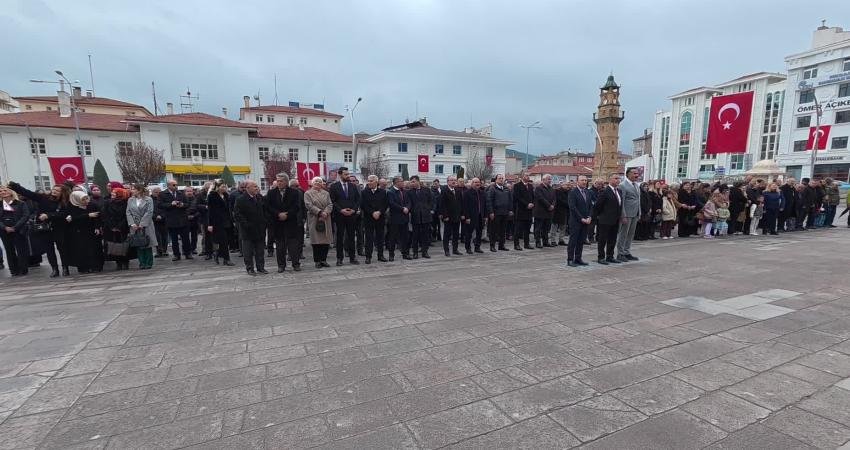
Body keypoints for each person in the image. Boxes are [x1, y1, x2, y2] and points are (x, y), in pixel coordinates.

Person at [7, 181, 71, 277]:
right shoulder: (43, 198)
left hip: (59, 227)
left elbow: (64, 214)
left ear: (62, 193)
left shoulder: (65, 202)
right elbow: (27, 193)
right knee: (49, 250)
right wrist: (15, 186)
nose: (54, 191)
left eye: (58, 191)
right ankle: (54, 269)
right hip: (44, 228)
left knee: (62, 249)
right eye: (54, 189)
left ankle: (65, 268)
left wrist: (48, 215)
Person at [266, 174, 303, 272]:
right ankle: (281, 265)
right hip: (278, 222)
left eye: (281, 181)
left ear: (286, 182)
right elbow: (268, 207)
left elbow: (296, 206)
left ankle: (296, 264)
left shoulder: (294, 192)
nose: (279, 183)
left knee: (293, 245)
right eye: (277, 181)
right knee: (280, 246)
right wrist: (278, 214)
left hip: (290, 222)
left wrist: (287, 214)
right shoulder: (271, 193)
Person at [233, 180, 267, 275]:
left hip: (259, 228)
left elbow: (264, 211)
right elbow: (237, 214)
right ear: (248, 188)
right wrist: (246, 224)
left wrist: (264, 222)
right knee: (248, 251)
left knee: (260, 250)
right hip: (247, 230)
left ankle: (261, 267)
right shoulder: (240, 199)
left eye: (257, 186)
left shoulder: (260, 197)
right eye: (254, 186)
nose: (257, 188)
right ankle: (250, 268)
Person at [328, 167, 360, 266]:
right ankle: (339, 258)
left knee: (351, 237)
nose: (348, 176)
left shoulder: (353, 186)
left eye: (348, 174)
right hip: (340, 215)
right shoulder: (334, 186)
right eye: (346, 174)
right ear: (340, 174)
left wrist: (353, 210)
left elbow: (358, 200)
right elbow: (333, 201)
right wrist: (341, 210)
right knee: (340, 237)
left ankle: (352, 257)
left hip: (351, 215)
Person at [66, 191, 102, 274]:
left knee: (93, 249)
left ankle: (95, 266)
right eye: (83, 199)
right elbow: (72, 218)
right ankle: (83, 267)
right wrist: (88, 215)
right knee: (81, 250)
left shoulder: (92, 205)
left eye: (86, 198)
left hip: (91, 230)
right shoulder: (72, 207)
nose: (86, 201)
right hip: (79, 231)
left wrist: (97, 227)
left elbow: (97, 216)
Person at [0, 186, 31, 276]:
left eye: (5, 190)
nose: (3, 192)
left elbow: (25, 215)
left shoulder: (20, 203)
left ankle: (23, 268)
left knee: (21, 250)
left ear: (10, 192)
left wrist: (15, 227)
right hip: (4, 230)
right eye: (1, 191)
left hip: (18, 229)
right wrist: (4, 227)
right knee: (9, 250)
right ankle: (13, 270)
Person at [593, 173, 623, 265]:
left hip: (615, 219)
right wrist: (600, 216)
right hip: (605, 219)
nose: (618, 180)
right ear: (610, 180)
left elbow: (619, 205)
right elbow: (598, 205)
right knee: (602, 239)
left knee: (612, 239)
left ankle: (610, 256)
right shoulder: (605, 191)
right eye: (616, 178)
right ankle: (601, 257)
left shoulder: (619, 191)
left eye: (619, 178)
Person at [160, 180, 193, 261]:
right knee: (174, 239)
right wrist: (171, 204)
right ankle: (176, 255)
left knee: (185, 238)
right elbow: (160, 205)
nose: (176, 186)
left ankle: (187, 253)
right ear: (169, 186)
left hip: (182, 219)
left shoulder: (181, 193)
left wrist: (182, 205)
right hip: (171, 220)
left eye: (176, 185)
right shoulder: (163, 194)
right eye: (174, 185)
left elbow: (187, 204)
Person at [304, 176, 333, 269]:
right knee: (316, 241)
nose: (318, 183)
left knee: (325, 240)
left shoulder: (326, 193)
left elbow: (330, 204)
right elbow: (308, 205)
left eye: (320, 182)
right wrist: (320, 212)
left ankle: (323, 260)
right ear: (312, 183)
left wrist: (326, 212)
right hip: (314, 218)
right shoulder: (308, 193)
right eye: (316, 181)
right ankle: (317, 261)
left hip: (326, 218)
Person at [127, 184, 158, 270]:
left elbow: (149, 212)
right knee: (138, 243)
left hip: (146, 224)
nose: (131, 190)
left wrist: (142, 224)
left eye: (133, 189)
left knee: (147, 243)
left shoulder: (148, 199)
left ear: (139, 190)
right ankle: (142, 262)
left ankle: (149, 262)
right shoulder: (130, 200)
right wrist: (132, 223)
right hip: (134, 225)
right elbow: (128, 212)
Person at [102, 188, 133, 270]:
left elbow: (127, 215)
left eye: (114, 194)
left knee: (125, 245)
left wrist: (120, 227)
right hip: (111, 228)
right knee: (115, 246)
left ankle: (125, 261)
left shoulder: (126, 203)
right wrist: (112, 227)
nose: (112, 195)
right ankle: (118, 262)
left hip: (123, 228)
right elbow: (105, 215)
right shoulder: (107, 203)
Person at [360, 175, 388, 264]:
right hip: (369, 218)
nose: (369, 182)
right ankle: (368, 257)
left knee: (380, 237)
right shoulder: (364, 192)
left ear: (376, 182)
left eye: (371, 181)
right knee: (369, 238)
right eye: (368, 180)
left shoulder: (383, 192)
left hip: (380, 218)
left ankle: (380, 255)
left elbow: (385, 204)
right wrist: (372, 212)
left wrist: (379, 212)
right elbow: (363, 205)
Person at [205, 181, 234, 266]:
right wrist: (210, 224)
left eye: (225, 186)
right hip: (217, 221)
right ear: (217, 187)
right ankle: (227, 259)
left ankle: (218, 253)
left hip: (227, 221)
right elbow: (210, 211)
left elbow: (229, 208)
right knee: (223, 240)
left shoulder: (226, 195)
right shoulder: (212, 196)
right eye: (222, 186)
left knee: (225, 240)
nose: (224, 188)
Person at [616, 168, 641, 261]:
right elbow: (621, 202)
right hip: (627, 214)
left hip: (635, 213)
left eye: (637, 173)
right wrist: (623, 215)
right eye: (634, 173)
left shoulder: (636, 185)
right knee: (623, 234)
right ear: (628, 174)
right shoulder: (622, 185)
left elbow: (638, 200)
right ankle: (620, 253)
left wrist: (640, 212)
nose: (637, 175)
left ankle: (627, 252)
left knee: (631, 234)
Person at [566, 176, 591, 267]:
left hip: (586, 221)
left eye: (585, 180)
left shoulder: (587, 192)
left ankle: (578, 258)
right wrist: (581, 218)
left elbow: (590, 206)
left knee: (581, 241)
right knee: (573, 241)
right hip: (576, 221)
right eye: (582, 180)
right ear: (577, 182)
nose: (584, 182)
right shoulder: (573, 192)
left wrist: (589, 217)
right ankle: (570, 259)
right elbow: (573, 207)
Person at [386, 176, 412, 261]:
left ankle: (405, 253)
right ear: (396, 182)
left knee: (405, 237)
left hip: (404, 218)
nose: (403, 183)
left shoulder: (405, 191)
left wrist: (407, 208)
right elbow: (391, 203)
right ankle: (391, 255)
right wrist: (402, 209)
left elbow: (409, 202)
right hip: (395, 219)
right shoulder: (390, 192)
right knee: (392, 237)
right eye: (401, 181)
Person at [486, 174, 513, 252]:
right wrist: (491, 212)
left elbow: (510, 200)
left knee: (503, 230)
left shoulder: (506, 189)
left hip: (505, 212)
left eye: (502, 178)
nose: (501, 179)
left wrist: (510, 210)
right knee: (493, 230)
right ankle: (492, 246)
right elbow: (489, 201)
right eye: (499, 178)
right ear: (496, 180)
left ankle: (501, 245)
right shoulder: (492, 189)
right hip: (495, 213)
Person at [408, 176, 433, 259]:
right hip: (416, 217)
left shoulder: (426, 190)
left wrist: (428, 209)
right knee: (415, 236)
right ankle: (415, 252)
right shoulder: (409, 192)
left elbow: (431, 201)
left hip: (426, 216)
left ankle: (425, 251)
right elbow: (409, 203)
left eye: (414, 181)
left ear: (418, 181)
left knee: (425, 235)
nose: (412, 183)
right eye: (411, 182)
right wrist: (412, 210)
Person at [460, 177, 486, 254]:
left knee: (479, 233)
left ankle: (477, 247)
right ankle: (468, 248)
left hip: (480, 216)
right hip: (471, 217)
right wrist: (467, 217)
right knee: (469, 233)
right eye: (475, 182)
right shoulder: (467, 193)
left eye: (478, 182)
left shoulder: (482, 193)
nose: (477, 184)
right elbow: (465, 206)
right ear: (472, 184)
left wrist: (485, 216)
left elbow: (484, 205)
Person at [440, 175, 463, 257]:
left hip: (457, 216)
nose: (453, 182)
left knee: (456, 234)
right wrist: (445, 216)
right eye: (451, 180)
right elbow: (442, 205)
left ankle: (455, 249)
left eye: (454, 180)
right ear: (448, 182)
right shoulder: (444, 190)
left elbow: (460, 203)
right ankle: (446, 250)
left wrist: (462, 214)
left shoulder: (458, 190)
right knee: (447, 234)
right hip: (448, 217)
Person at [533, 174, 556, 248]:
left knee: (546, 228)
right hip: (540, 211)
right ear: (543, 180)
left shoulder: (551, 188)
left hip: (549, 212)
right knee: (538, 228)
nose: (550, 181)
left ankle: (545, 241)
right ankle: (538, 242)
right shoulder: (538, 188)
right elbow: (540, 198)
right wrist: (549, 206)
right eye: (548, 179)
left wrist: (552, 205)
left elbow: (554, 199)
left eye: (550, 179)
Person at [513, 174, 534, 250]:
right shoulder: (517, 185)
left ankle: (527, 244)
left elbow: (532, 196)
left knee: (527, 229)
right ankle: (516, 244)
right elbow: (517, 197)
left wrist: (532, 203)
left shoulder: (531, 186)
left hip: (529, 211)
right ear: (522, 177)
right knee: (518, 229)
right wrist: (526, 204)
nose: (528, 177)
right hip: (521, 210)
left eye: (528, 176)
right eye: (526, 176)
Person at [150, 187, 169, 257]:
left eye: (159, 192)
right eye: (156, 192)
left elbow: (166, 209)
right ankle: (159, 250)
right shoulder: (150, 200)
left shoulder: (163, 199)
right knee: (157, 236)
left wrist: (162, 216)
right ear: (152, 192)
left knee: (164, 236)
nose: (158, 194)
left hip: (164, 220)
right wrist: (155, 216)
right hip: (154, 220)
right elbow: (149, 210)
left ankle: (164, 250)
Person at [550, 180, 570, 246]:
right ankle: (553, 240)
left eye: (568, 185)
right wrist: (568, 204)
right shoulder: (557, 191)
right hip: (557, 211)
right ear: (562, 185)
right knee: (554, 226)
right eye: (566, 185)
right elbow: (559, 200)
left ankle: (561, 240)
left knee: (563, 227)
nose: (568, 186)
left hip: (564, 211)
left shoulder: (569, 192)